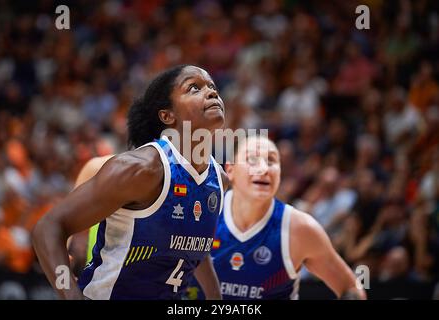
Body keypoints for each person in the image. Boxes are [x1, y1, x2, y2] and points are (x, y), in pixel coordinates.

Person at [32, 65, 228, 300]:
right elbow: (48, 227)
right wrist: (70, 294)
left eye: (212, 87)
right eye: (193, 88)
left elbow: (195, 249)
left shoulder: (218, 179)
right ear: (167, 115)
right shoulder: (140, 169)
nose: (211, 92)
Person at [186, 135, 366, 300]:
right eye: (252, 159)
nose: (264, 168)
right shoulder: (200, 214)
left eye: (271, 161)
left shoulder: (300, 229)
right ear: (230, 170)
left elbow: (350, 287)